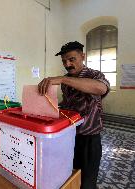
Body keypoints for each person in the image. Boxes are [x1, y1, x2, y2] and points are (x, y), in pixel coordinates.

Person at [38, 41, 110, 189]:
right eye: (64, 61)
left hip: (89, 139)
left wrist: (63, 79)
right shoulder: (66, 81)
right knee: (71, 176)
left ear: (82, 56)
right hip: (69, 137)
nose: (67, 64)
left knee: (87, 182)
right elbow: (69, 105)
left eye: (72, 59)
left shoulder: (94, 75)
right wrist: (49, 109)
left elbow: (101, 88)